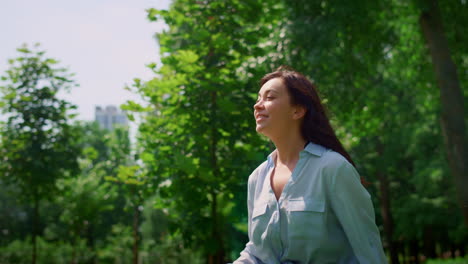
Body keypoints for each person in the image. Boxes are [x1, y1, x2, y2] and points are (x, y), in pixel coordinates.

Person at [232, 67, 387, 264]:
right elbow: (257, 253)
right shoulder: (257, 178)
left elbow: (368, 250)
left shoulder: (333, 168)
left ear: (297, 110)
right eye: (258, 99)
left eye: (269, 98)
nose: (257, 106)